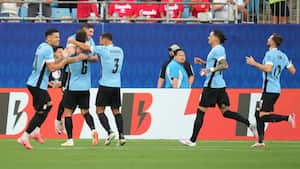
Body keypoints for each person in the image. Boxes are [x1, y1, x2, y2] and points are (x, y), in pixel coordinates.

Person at [180, 30, 257, 147]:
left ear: (216, 38)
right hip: (219, 85)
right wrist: (204, 63)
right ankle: (249, 124)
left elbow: (225, 65)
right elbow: (216, 65)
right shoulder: (217, 50)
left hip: (211, 86)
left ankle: (192, 140)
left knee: (200, 111)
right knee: (225, 112)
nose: (208, 37)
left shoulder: (218, 49)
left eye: (210, 35)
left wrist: (208, 70)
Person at [17, 28, 88, 150]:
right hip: (37, 85)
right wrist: (66, 59)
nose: (58, 39)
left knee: (48, 105)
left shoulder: (42, 47)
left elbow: (52, 62)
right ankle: (25, 136)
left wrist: (68, 58)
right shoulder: (47, 49)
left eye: (59, 37)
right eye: (55, 37)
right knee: (42, 110)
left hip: (36, 83)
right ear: (48, 38)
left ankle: (36, 130)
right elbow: (52, 68)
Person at [246, 33, 296, 148]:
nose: (267, 39)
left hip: (269, 90)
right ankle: (260, 141)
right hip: (274, 89)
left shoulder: (270, 54)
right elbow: (293, 70)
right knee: (257, 114)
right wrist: (288, 63)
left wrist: (254, 63)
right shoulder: (283, 56)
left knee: (262, 116)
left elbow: (268, 68)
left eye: (269, 38)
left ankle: (288, 117)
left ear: (273, 41)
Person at [55, 23, 97, 134]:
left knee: (67, 103)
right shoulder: (72, 39)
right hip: (69, 73)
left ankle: (61, 121)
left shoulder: (86, 41)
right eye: (90, 32)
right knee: (65, 98)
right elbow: (68, 53)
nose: (91, 35)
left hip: (75, 77)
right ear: (84, 31)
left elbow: (92, 54)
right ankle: (59, 119)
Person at [94, 33, 126, 146]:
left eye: (100, 40)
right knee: (116, 111)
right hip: (116, 85)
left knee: (99, 110)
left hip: (105, 84)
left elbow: (88, 47)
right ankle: (122, 135)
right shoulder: (120, 50)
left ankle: (109, 131)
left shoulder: (103, 49)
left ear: (104, 39)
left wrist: (73, 41)